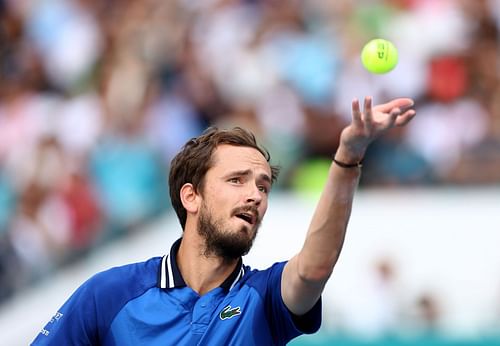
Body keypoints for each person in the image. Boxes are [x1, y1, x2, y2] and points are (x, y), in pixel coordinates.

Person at [32, 96, 416, 345]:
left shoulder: (262, 297)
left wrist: (348, 157)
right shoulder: (109, 293)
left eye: (263, 187)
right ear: (191, 196)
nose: (255, 195)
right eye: (236, 180)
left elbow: (314, 269)